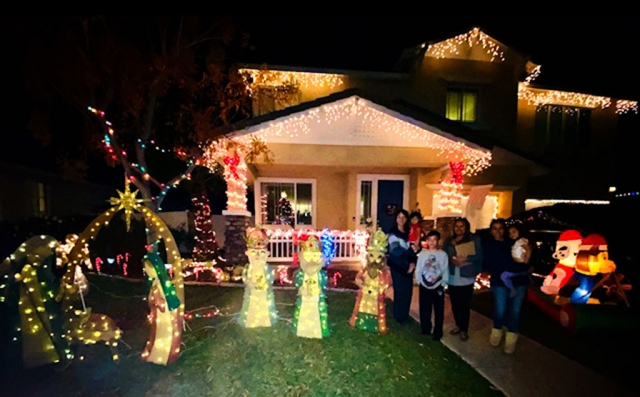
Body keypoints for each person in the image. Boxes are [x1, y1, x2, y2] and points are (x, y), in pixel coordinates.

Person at [483, 218, 530, 354]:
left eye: (500, 228)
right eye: (494, 228)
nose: (498, 231)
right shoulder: (488, 245)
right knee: (500, 309)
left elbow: (526, 257)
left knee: (515, 311)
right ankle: (497, 332)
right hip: (499, 282)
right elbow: (488, 264)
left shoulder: (513, 242)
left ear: (505, 230)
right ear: (491, 231)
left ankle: (511, 338)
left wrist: (526, 264)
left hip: (519, 281)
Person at [442, 217, 483, 341]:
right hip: (453, 276)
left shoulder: (474, 240)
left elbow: (480, 256)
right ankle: (459, 325)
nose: (459, 229)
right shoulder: (449, 241)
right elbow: (444, 255)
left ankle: (464, 329)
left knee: (464, 305)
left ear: (466, 227)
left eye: (462, 226)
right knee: (455, 304)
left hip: (467, 276)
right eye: (456, 226)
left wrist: (466, 259)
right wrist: (451, 260)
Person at [387, 209, 418, 324]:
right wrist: (408, 263)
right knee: (400, 291)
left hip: (408, 266)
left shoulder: (407, 233)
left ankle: (405, 314)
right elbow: (396, 251)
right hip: (398, 267)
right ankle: (398, 315)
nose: (401, 219)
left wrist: (412, 262)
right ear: (396, 219)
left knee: (407, 291)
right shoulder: (393, 233)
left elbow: (411, 250)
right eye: (399, 217)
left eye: (404, 217)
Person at [415, 230, 448, 340]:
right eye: (430, 240)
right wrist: (419, 281)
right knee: (424, 308)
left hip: (438, 286)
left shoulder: (443, 255)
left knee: (438, 310)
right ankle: (425, 329)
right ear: (427, 241)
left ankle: (438, 331)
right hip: (424, 285)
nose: (432, 242)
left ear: (438, 241)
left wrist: (443, 283)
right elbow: (419, 268)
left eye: (435, 240)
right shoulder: (423, 254)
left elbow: (445, 269)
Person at [500, 224, 532, 297]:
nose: (511, 235)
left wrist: (526, 261)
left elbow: (528, 250)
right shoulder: (516, 242)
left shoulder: (522, 241)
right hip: (517, 264)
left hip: (520, 263)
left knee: (504, 276)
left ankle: (512, 289)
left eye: (514, 232)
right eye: (510, 233)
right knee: (505, 275)